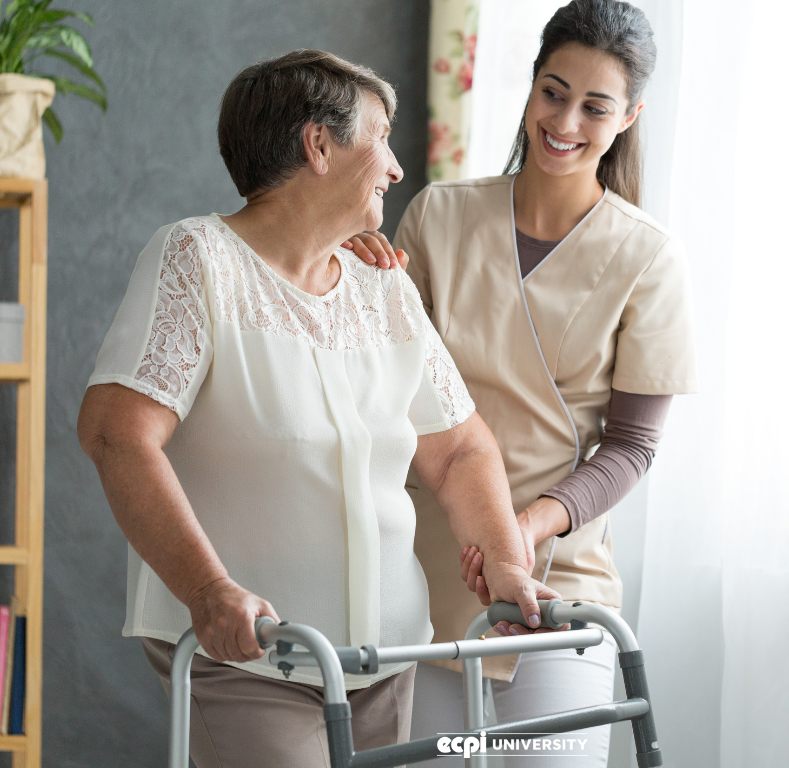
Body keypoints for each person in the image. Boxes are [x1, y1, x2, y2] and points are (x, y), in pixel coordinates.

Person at [77, 49, 557, 768]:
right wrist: (208, 592)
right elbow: (117, 434)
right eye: (382, 138)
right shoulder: (198, 260)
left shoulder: (380, 283)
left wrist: (507, 563)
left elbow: (458, 449)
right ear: (319, 144)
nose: (396, 168)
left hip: (387, 658)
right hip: (250, 657)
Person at [343, 1, 697, 765]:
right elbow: (385, 390)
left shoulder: (648, 258)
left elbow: (632, 447)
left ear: (629, 116)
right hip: (432, 585)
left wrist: (523, 528)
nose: (565, 119)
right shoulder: (438, 217)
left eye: (595, 105)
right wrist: (351, 282)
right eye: (553, 91)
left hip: (558, 595)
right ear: (531, 86)